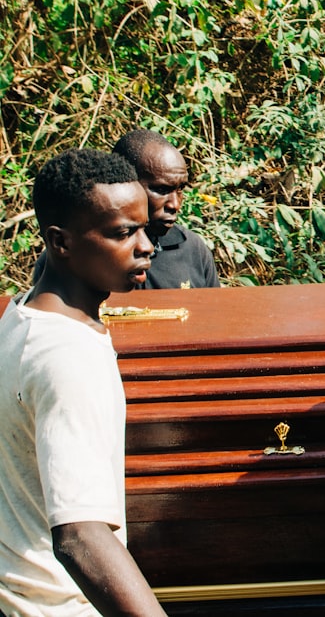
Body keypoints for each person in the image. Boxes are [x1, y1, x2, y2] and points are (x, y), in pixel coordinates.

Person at [0, 148, 167, 616]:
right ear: (61, 242)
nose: (146, 245)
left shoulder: (24, 312)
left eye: (144, 227)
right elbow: (79, 536)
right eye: (123, 232)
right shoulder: (67, 356)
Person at [34, 129, 220, 289]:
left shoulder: (192, 249)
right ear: (127, 185)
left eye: (180, 189)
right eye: (161, 190)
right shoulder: (81, 256)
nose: (175, 204)